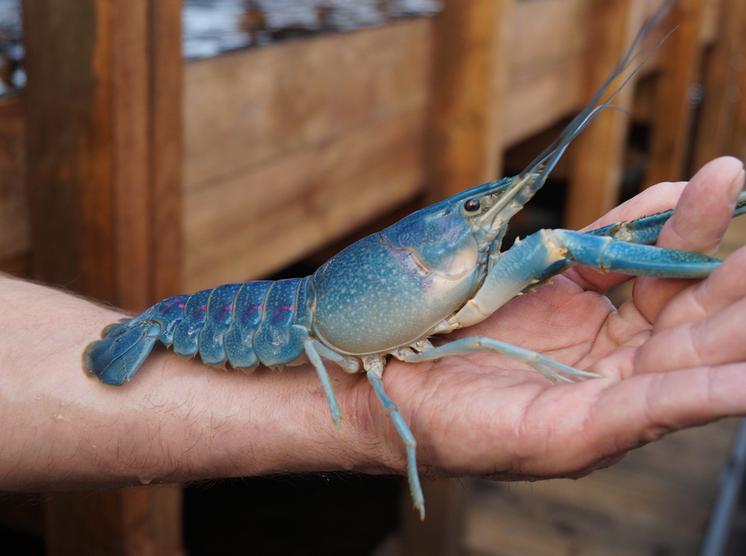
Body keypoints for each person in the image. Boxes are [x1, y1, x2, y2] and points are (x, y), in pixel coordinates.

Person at [1, 156, 745, 492]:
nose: (489, 216)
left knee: (554, 244)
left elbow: (555, 247)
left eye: (477, 209)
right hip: (238, 322)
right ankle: (152, 329)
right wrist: (363, 417)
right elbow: (398, 362)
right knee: (556, 246)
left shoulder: (456, 270)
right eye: (476, 211)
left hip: (309, 320)